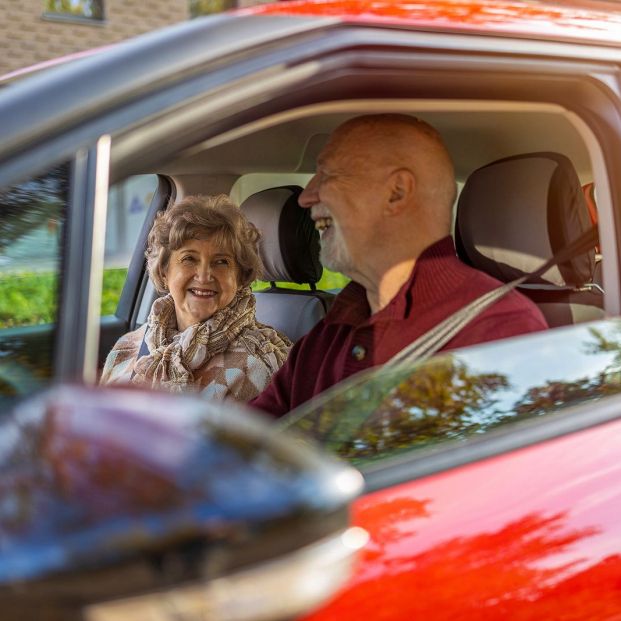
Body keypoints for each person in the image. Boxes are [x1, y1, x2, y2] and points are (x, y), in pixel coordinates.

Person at [250, 114, 548, 416]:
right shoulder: (329, 332)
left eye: (327, 174)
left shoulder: (501, 330)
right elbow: (248, 443)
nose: (306, 197)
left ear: (397, 192)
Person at [101, 194, 292, 400]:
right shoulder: (128, 346)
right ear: (164, 271)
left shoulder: (257, 364)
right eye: (189, 259)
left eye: (221, 262)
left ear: (239, 277)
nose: (204, 275)